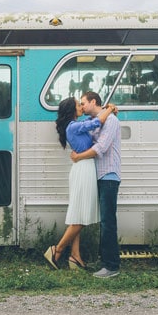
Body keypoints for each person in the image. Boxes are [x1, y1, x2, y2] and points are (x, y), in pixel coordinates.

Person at [43, 97, 117, 270]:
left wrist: (108, 107)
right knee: (81, 217)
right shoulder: (74, 126)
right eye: (78, 105)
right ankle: (57, 249)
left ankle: (75, 257)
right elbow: (97, 121)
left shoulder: (74, 125)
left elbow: (93, 120)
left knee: (78, 214)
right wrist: (111, 108)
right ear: (71, 109)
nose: (81, 107)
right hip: (83, 169)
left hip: (83, 167)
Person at [71, 91, 122, 278]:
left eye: (83, 103)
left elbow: (100, 148)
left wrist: (78, 157)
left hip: (109, 175)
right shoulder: (99, 122)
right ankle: (105, 262)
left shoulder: (111, 122)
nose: (82, 107)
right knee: (104, 221)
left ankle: (111, 266)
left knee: (108, 221)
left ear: (94, 102)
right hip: (100, 176)